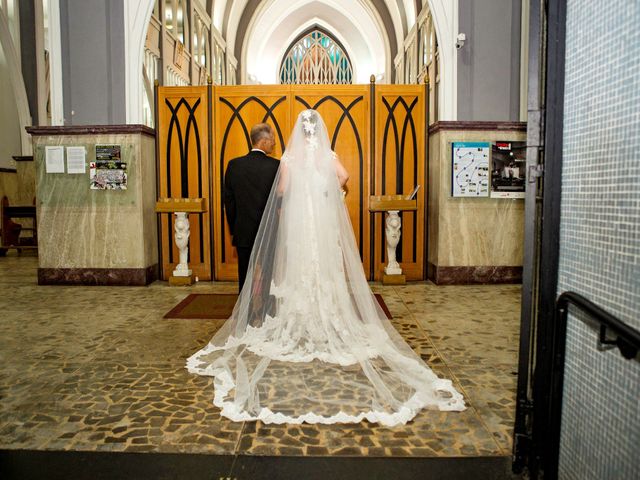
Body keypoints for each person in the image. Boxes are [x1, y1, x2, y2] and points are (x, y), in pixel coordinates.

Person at [187, 110, 465, 426]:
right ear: (318, 132)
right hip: (321, 224)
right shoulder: (327, 154)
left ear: (298, 133)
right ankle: (328, 315)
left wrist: (296, 197)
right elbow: (344, 177)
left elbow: (281, 192)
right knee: (324, 267)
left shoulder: (290, 159)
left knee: (298, 267)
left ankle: (298, 319)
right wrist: (326, 192)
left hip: (299, 226)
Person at [223, 123, 280, 291]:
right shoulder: (276, 166)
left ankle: (245, 312)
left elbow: (229, 201)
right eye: (272, 140)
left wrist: (235, 229)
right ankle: (267, 311)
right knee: (269, 275)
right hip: (269, 231)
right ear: (263, 141)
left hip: (243, 230)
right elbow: (281, 200)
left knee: (245, 275)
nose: (274, 143)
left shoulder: (234, 165)